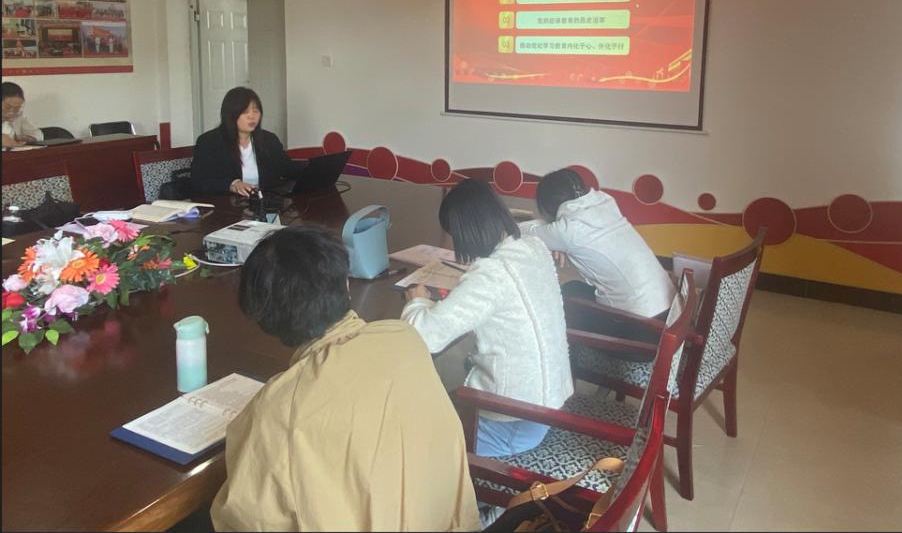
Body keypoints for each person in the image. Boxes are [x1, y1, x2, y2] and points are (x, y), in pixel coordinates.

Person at [210, 226, 480, 532]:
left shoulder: (277, 411)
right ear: (346, 284)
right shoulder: (404, 338)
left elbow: (245, 521)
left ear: (264, 319)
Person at [402, 178, 573, 458]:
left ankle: (460, 482)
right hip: (546, 405)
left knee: (406, 433)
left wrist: (417, 301)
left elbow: (425, 336)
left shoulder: (492, 275)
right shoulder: (533, 247)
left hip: (512, 423)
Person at [520, 168, 680, 355]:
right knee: (572, 289)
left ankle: (563, 361)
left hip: (642, 336)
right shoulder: (605, 202)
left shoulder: (568, 231)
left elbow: (521, 231)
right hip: (670, 319)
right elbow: (556, 232)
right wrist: (554, 234)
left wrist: (553, 234)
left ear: (548, 207)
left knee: (564, 306)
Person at [190, 86, 298, 196]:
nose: (252, 116)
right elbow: (197, 182)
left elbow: (287, 169)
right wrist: (231, 184)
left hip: (265, 201)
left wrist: (307, 169)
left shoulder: (269, 139)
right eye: (245, 111)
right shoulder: (209, 142)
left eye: (256, 111)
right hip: (227, 203)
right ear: (230, 114)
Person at [2, 81, 44, 148]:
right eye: (8, 107)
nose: (12, 112)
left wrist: (27, 138)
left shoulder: (18, 117)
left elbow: (38, 134)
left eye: (17, 108)